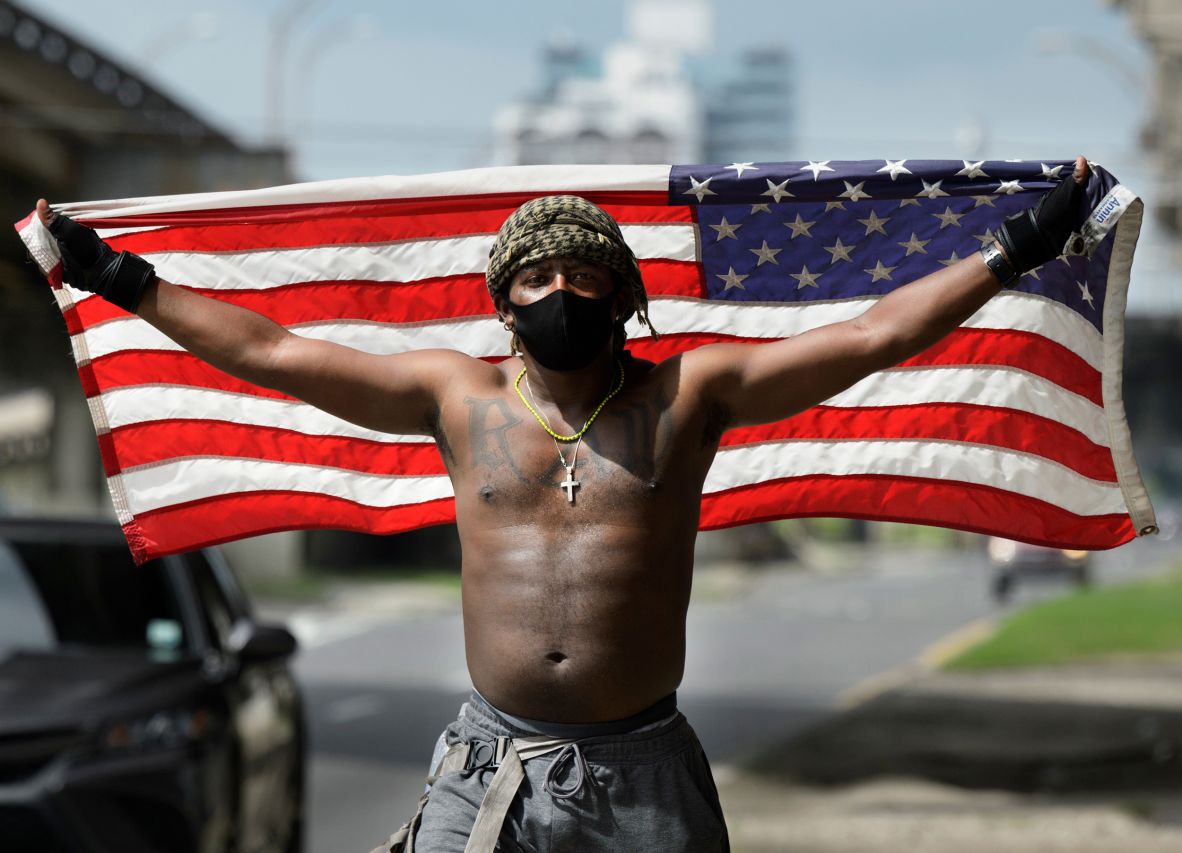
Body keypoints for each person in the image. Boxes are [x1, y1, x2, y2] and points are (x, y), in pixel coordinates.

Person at [34, 156, 1089, 852]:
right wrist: (113, 276)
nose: (561, 295)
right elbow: (270, 351)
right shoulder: (457, 396)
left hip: (644, 775)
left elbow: (869, 338)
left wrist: (1016, 249)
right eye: (536, 278)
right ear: (503, 303)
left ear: (628, 297)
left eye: (587, 275)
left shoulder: (691, 395)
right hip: (490, 761)